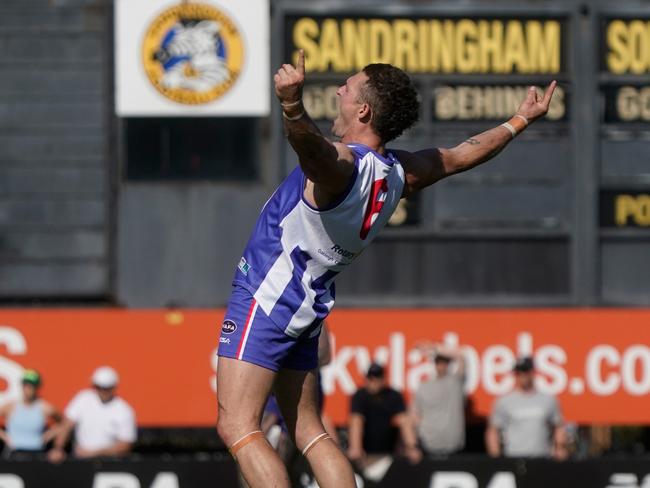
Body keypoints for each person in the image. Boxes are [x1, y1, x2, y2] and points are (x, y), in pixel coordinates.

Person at [216, 48, 557, 488]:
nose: (338, 89)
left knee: (238, 425)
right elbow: (461, 155)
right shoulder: (398, 174)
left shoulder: (344, 167)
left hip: (268, 297)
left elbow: (311, 148)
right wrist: (518, 121)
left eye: (347, 86)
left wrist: (290, 103)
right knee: (309, 430)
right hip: (307, 306)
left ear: (363, 108)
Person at [48, 366, 136, 462]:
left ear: (114, 387)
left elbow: (125, 445)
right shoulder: (83, 399)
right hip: (80, 461)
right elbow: (67, 425)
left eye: (106, 388)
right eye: (98, 387)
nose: (102, 391)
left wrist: (92, 453)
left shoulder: (124, 410)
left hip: (109, 463)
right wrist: (58, 448)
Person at [485, 356, 567, 459]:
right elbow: (493, 431)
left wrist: (560, 449)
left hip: (542, 458)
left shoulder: (548, 400)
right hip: (513, 458)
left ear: (532, 372)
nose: (522, 375)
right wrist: (496, 458)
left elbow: (558, 427)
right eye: (518, 372)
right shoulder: (504, 401)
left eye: (525, 371)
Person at [347, 363, 421, 467]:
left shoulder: (393, 395)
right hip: (365, 451)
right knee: (356, 420)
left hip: (389, 450)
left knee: (406, 419)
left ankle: (411, 450)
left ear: (383, 379)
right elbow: (356, 420)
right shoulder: (360, 395)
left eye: (377, 378)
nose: (373, 381)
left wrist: (412, 447)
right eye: (370, 378)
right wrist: (355, 447)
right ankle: (356, 450)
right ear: (366, 379)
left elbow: (404, 420)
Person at [411, 343, 466, 456]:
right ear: (435, 364)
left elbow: (460, 356)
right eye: (438, 362)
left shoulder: (455, 382)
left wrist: (433, 349)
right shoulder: (423, 386)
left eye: (445, 362)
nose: (442, 366)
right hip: (428, 445)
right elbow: (415, 415)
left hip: (453, 446)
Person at [0, 369, 61, 456]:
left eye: (31, 386)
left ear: (37, 388)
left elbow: (63, 423)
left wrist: (49, 434)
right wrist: (5, 436)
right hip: (14, 452)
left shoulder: (45, 408)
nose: (28, 389)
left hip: (36, 452)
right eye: (26, 385)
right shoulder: (11, 406)